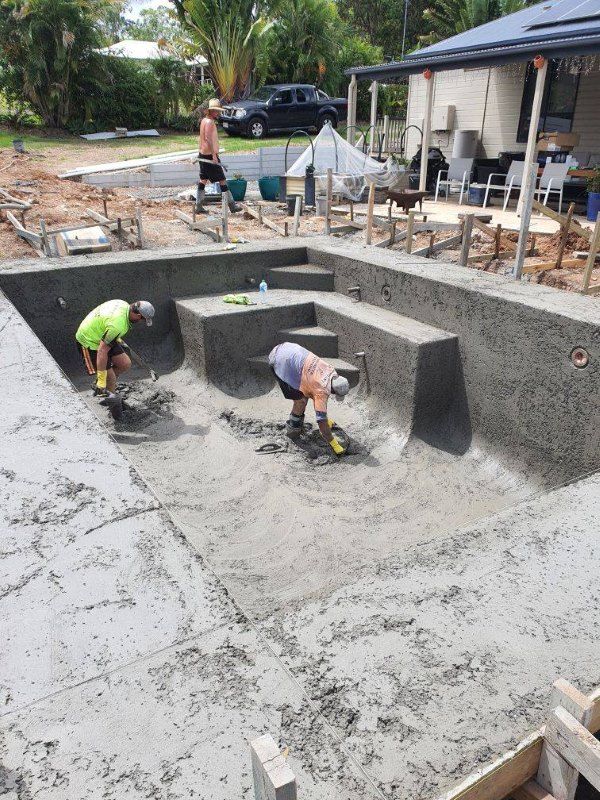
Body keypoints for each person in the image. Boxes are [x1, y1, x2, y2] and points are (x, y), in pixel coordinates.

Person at [269, 341, 350, 456]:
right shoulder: (321, 392)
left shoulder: (331, 371)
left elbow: (315, 388)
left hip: (288, 349)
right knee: (301, 401)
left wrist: (324, 418)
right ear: (332, 389)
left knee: (305, 393)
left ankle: (296, 425)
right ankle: (293, 431)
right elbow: (321, 423)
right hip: (280, 362)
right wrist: (333, 442)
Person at [75, 300, 155, 399]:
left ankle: (103, 386)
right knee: (111, 377)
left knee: (124, 364)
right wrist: (101, 379)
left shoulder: (122, 304)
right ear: (138, 315)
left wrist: (113, 335)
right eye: (142, 319)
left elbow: (108, 320)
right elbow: (102, 351)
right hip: (89, 341)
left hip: (104, 334)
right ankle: (112, 403)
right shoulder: (118, 325)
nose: (140, 322)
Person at [196, 99, 241, 214]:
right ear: (211, 111)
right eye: (216, 111)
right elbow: (207, 139)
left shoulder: (204, 120)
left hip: (203, 154)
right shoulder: (210, 122)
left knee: (203, 179)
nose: (218, 113)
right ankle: (232, 205)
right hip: (209, 156)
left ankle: (198, 206)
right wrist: (214, 155)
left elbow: (202, 139)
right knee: (222, 180)